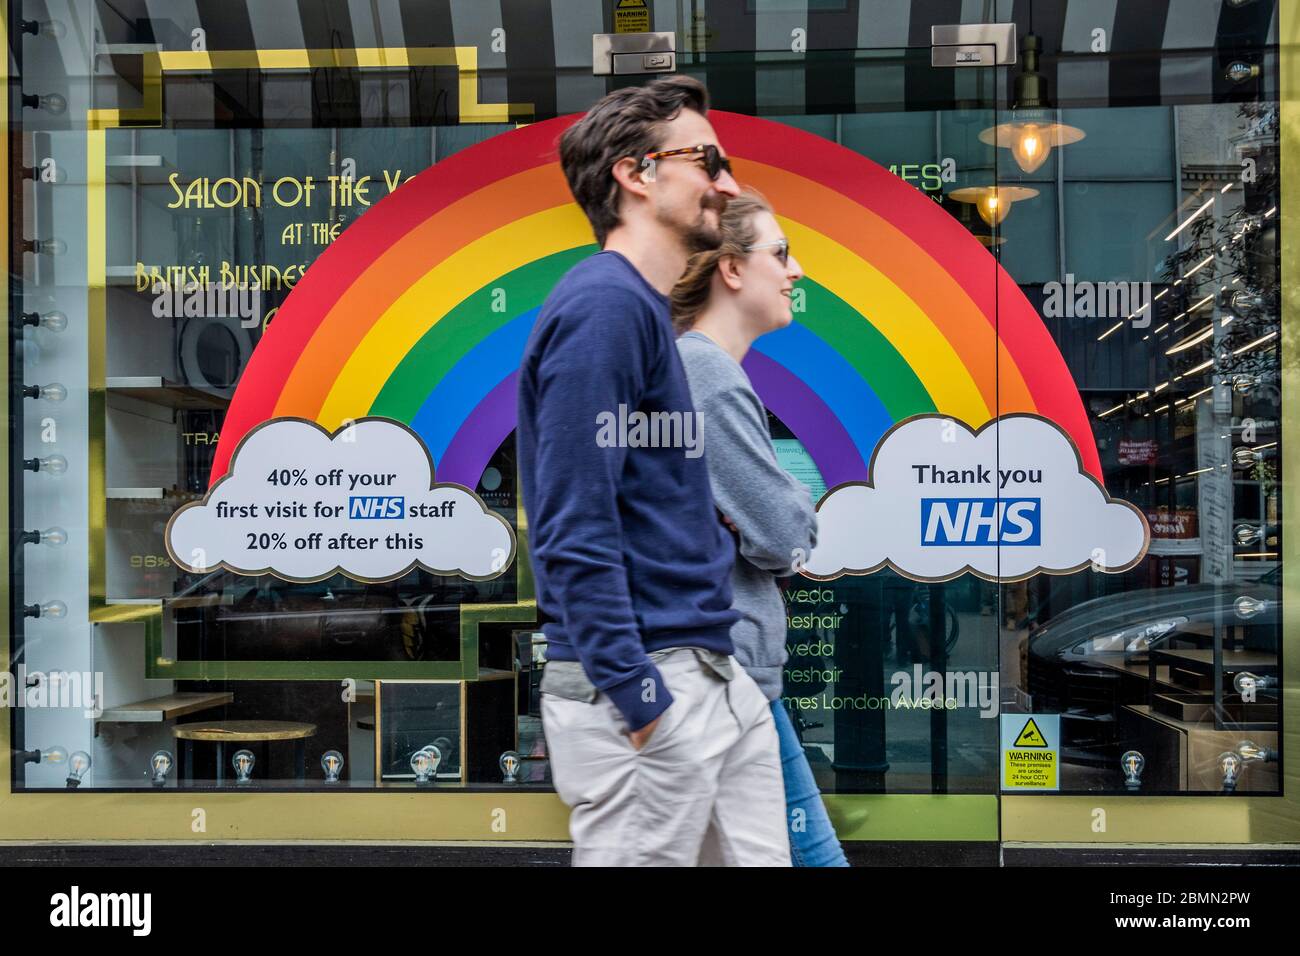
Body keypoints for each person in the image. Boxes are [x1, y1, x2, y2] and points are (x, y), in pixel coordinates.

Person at [516, 76, 791, 866]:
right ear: (635, 176)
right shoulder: (603, 309)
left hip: (709, 671)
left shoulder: (637, 310)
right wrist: (639, 700)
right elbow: (572, 522)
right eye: (706, 159)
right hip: (644, 684)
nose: (727, 182)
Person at [671, 189, 850, 867]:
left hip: (720, 676)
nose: (796, 269)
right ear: (731, 270)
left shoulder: (695, 368)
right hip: (726, 679)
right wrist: (780, 511)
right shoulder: (707, 374)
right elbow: (785, 532)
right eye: (780, 253)